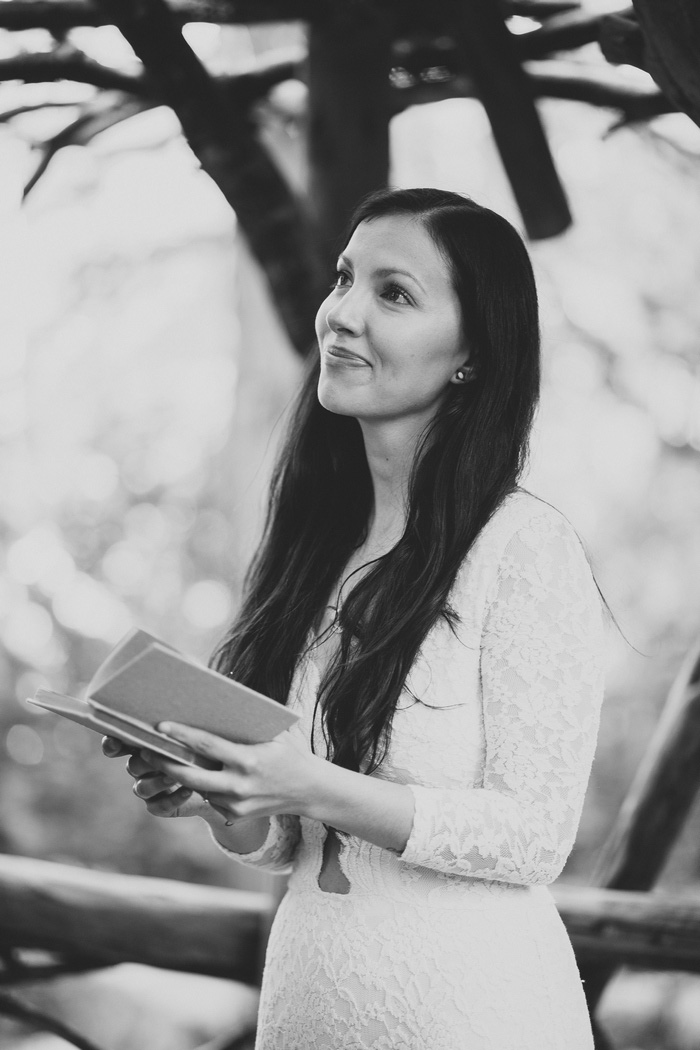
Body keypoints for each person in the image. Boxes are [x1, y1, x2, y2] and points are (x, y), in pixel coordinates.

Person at [103, 187, 607, 1049]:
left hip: (472, 1015)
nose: (341, 314)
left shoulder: (525, 547)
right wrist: (225, 795)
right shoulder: (316, 542)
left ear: (472, 356)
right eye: (345, 278)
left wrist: (307, 781)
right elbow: (293, 844)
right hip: (308, 1007)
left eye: (394, 293)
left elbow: (535, 836)